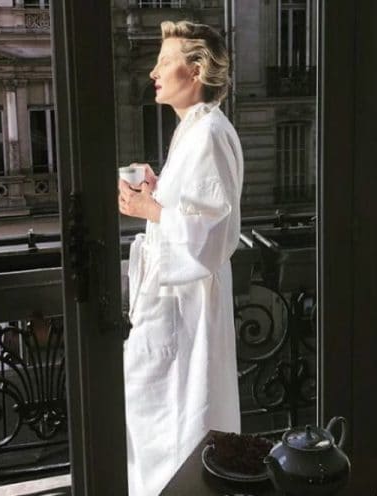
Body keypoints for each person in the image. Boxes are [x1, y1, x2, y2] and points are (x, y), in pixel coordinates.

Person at [118, 20, 244, 496]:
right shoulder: (193, 130)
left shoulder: (209, 132)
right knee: (159, 428)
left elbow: (214, 236)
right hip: (172, 310)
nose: (153, 71)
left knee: (179, 431)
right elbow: (193, 211)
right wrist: (157, 194)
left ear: (195, 69)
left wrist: (147, 207)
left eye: (164, 62)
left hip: (185, 315)